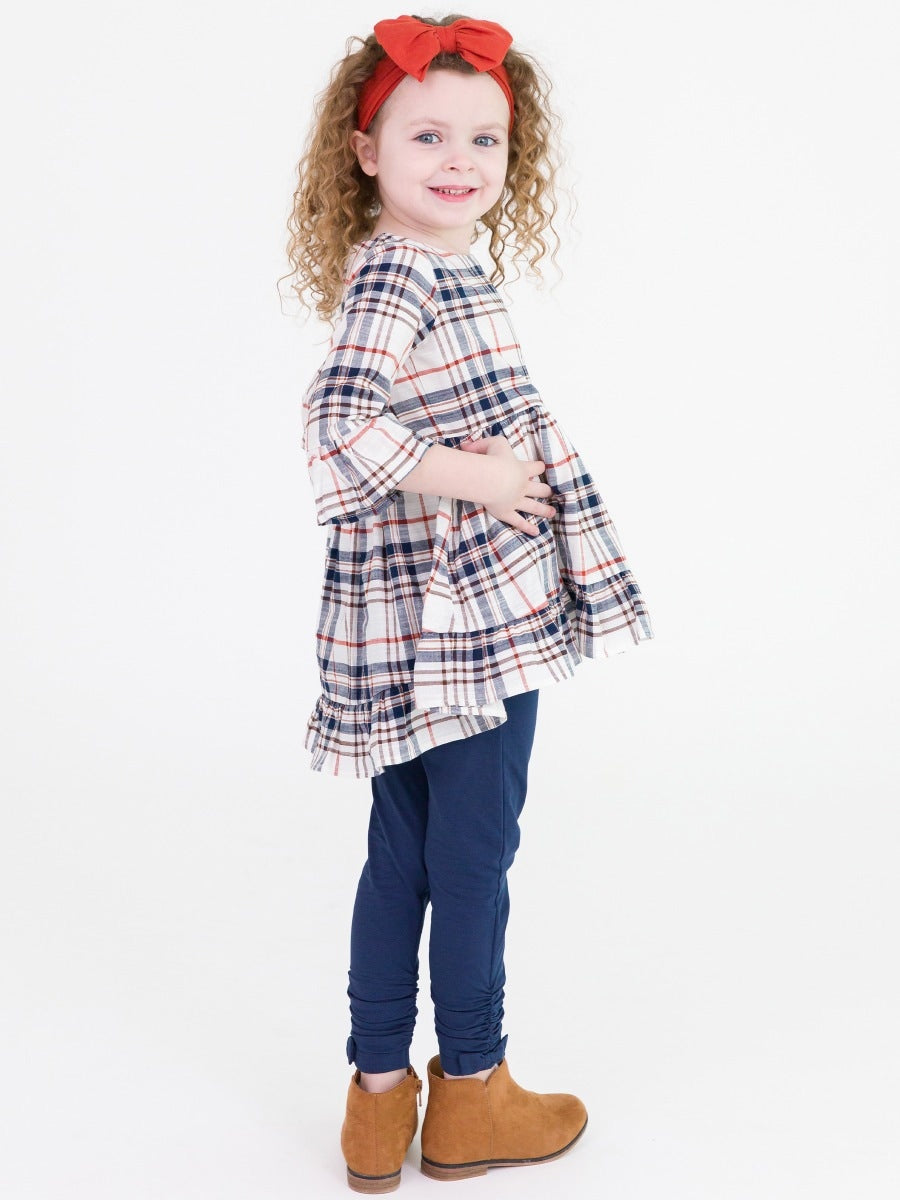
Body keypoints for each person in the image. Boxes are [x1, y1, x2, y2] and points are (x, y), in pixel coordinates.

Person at [284, 13, 654, 1193]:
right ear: (365, 151)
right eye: (427, 135)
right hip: (464, 626)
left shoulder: (423, 262)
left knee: (404, 850)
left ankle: (377, 1098)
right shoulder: (404, 269)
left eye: (484, 139)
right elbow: (337, 428)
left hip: (412, 619)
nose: (459, 159)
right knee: (475, 853)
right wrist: (483, 477)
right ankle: (475, 1088)